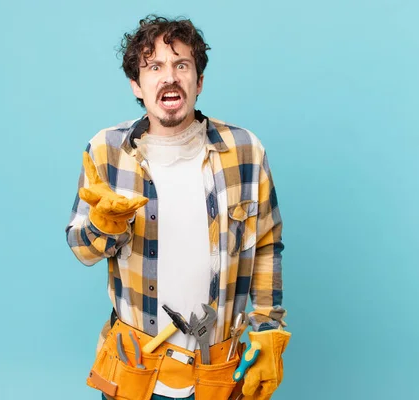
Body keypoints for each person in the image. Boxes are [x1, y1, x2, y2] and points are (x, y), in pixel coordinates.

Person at [66, 15, 291, 400]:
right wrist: (104, 225)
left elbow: (266, 244)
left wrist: (269, 330)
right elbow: (83, 251)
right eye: (154, 66)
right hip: (136, 371)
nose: (169, 76)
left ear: (198, 81)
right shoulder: (106, 151)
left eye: (181, 64)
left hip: (220, 373)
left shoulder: (246, 151)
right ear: (137, 84)